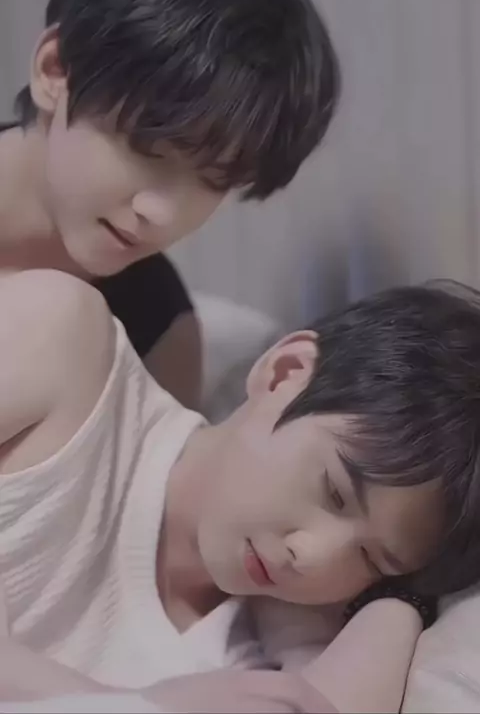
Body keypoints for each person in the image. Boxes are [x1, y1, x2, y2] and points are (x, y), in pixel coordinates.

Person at [1, 271, 480, 713]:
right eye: (333, 492)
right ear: (284, 372)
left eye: (371, 559)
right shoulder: (68, 350)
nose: (311, 555)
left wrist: (399, 606)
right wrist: (136, 706)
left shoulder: (256, 662)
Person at [0, 0, 339, 408]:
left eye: (212, 179)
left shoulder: (161, 339)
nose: (159, 213)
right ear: (55, 72)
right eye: (146, 149)